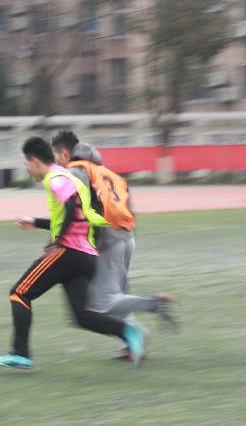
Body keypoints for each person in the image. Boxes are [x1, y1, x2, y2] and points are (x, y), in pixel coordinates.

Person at [0, 137, 146, 371]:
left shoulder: (55, 178)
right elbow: (77, 213)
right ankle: (127, 331)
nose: (27, 169)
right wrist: (35, 222)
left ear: (35, 160)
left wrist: (58, 240)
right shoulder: (65, 175)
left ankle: (20, 354)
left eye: (26, 164)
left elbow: (72, 205)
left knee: (19, 293)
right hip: (86, 256)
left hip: (68, 252)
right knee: (82, 316)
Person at [50, 131, 179, 360]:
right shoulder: (111, 175)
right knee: (118, 295)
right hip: (127, 236)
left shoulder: (76, 170)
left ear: (68, 155)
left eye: (58, 156)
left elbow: (78, 207)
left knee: (100, 304)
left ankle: (154, 303)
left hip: (107, 238)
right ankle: (131, 345)